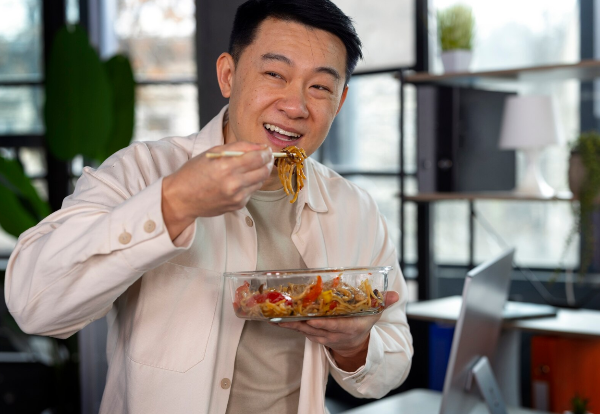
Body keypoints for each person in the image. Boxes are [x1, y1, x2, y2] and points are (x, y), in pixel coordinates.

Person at [5, 0, 413, 413]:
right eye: (275, 74)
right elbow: (35, 306)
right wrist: (174, 203)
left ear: (339, 102)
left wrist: (355, 345)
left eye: (320, 87)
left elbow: (394, 360)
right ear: (228, 75)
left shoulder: (354, 208)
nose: (295, 107)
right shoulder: (142, 170)